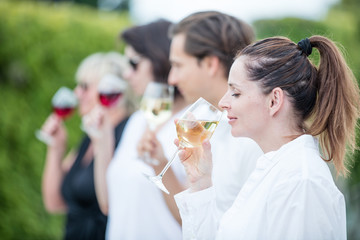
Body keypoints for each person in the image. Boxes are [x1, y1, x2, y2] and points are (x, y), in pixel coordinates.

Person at [175, 36, 360, 239]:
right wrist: (201, 183)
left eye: (235, 93)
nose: (222, 102)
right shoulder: (276, 170)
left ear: (274, 101)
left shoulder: (301, 182)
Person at [88, 19, 189, 240]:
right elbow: (107, 205)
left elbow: (194, 217)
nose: (127, 74)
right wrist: (102, 140)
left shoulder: (195, 121)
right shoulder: (137, 121)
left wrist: (161, 164)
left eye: (133, 64)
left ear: (160, 59)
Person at [166, 11, 263, 220]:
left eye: (178, 65)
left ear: (210, 64)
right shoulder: (210, 127)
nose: (171, 79)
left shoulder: (254, 139)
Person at [41, 52, 133, 240]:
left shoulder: (130, 134)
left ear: (112, 89)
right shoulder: (89, 138)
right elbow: (54, 203)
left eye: (84, 86)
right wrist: (56, 148)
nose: (77, 93)